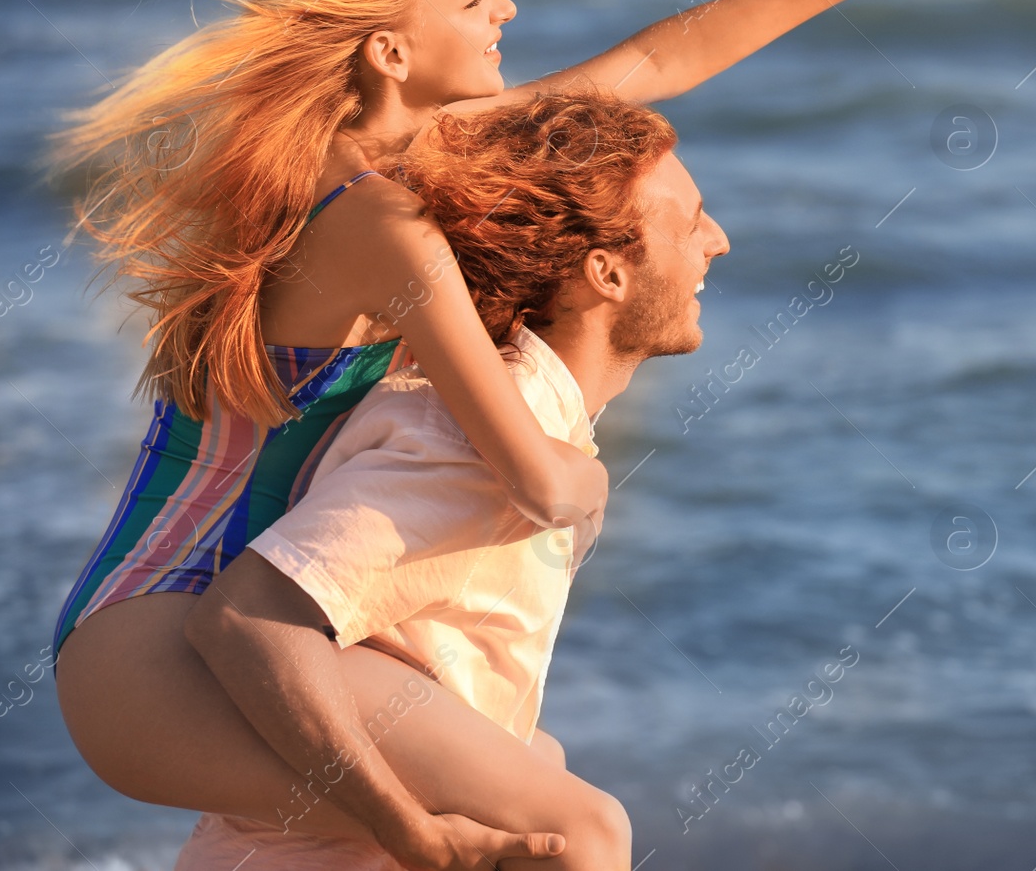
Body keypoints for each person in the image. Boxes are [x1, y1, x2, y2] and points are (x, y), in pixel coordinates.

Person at [50, 0, 1028, 868]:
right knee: (557, 827)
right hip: (160, 654)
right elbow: (532, 473)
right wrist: (591, 477)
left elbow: (654, 59)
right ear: (390, 50)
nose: (506, 7)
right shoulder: (379, 223)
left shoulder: (381, 157)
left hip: (149, 632)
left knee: (524, 788)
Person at [176, 91, 719, 869]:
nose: (720, 241)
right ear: (605, 272)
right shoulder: (468, 444)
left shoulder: (532, 424)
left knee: (541, 758)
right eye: (693, 220)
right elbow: (248, 616)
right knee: (586, 829)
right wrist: (405, 826)